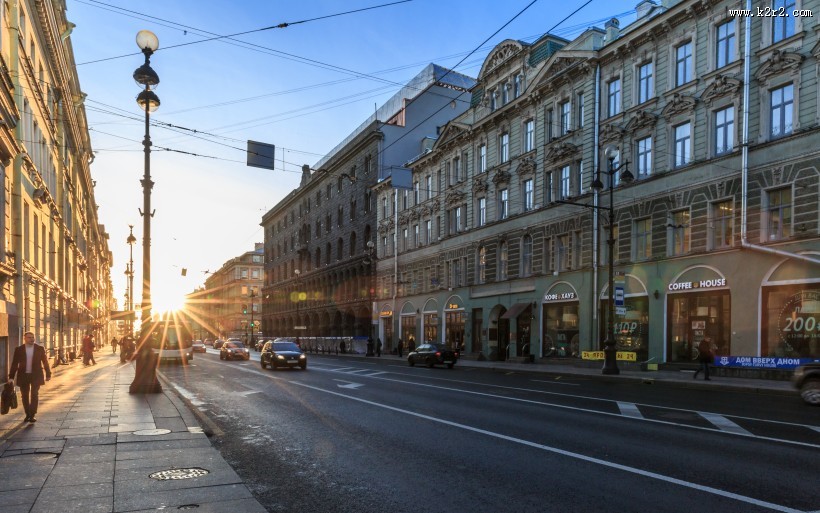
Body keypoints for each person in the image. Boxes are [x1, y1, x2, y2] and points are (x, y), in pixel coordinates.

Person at [9, 332, 51, 422]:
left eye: (33, 337)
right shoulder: (19, 349)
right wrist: (11, 377)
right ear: (25, 338)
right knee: (24, 395)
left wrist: (48, 373)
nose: (32, 339)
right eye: (29, 337)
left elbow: (45, 362)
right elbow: (15, 363)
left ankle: (32, 414)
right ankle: (27, 414)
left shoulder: (39, 348)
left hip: (36, 375)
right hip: (23, 375)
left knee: (34, 394)